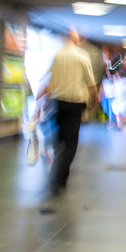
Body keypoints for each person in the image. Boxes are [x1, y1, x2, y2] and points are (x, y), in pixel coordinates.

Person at [38, 29, 96, 195]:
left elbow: (51, 80)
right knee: (71, 143)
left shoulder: (58, 55)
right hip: (75, 104)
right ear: (76, 41)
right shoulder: (82, 56)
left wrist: (43, 102)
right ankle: (58, 177)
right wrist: (93, 99)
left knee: (60, 139)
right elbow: (91, 82)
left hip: (58, 102)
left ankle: (61, 175)